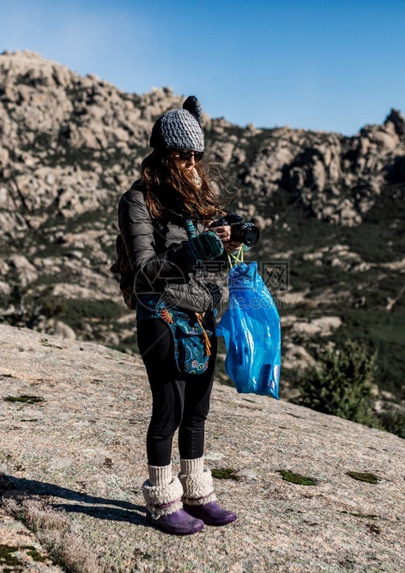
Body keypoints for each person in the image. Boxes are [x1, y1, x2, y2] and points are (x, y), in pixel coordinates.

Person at [117, 96, 240, 535]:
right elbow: (146, 272)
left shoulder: (197, 199)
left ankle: (198, 494)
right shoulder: (137, 201)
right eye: (180, 156)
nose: (189, 164)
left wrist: (231, 241)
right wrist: (199, 248)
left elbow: (213, 258)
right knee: (167, 409)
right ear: (161, 154)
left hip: (202, 318)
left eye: (195, 157)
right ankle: (161, 499)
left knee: (198, 410)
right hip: (162, 318)